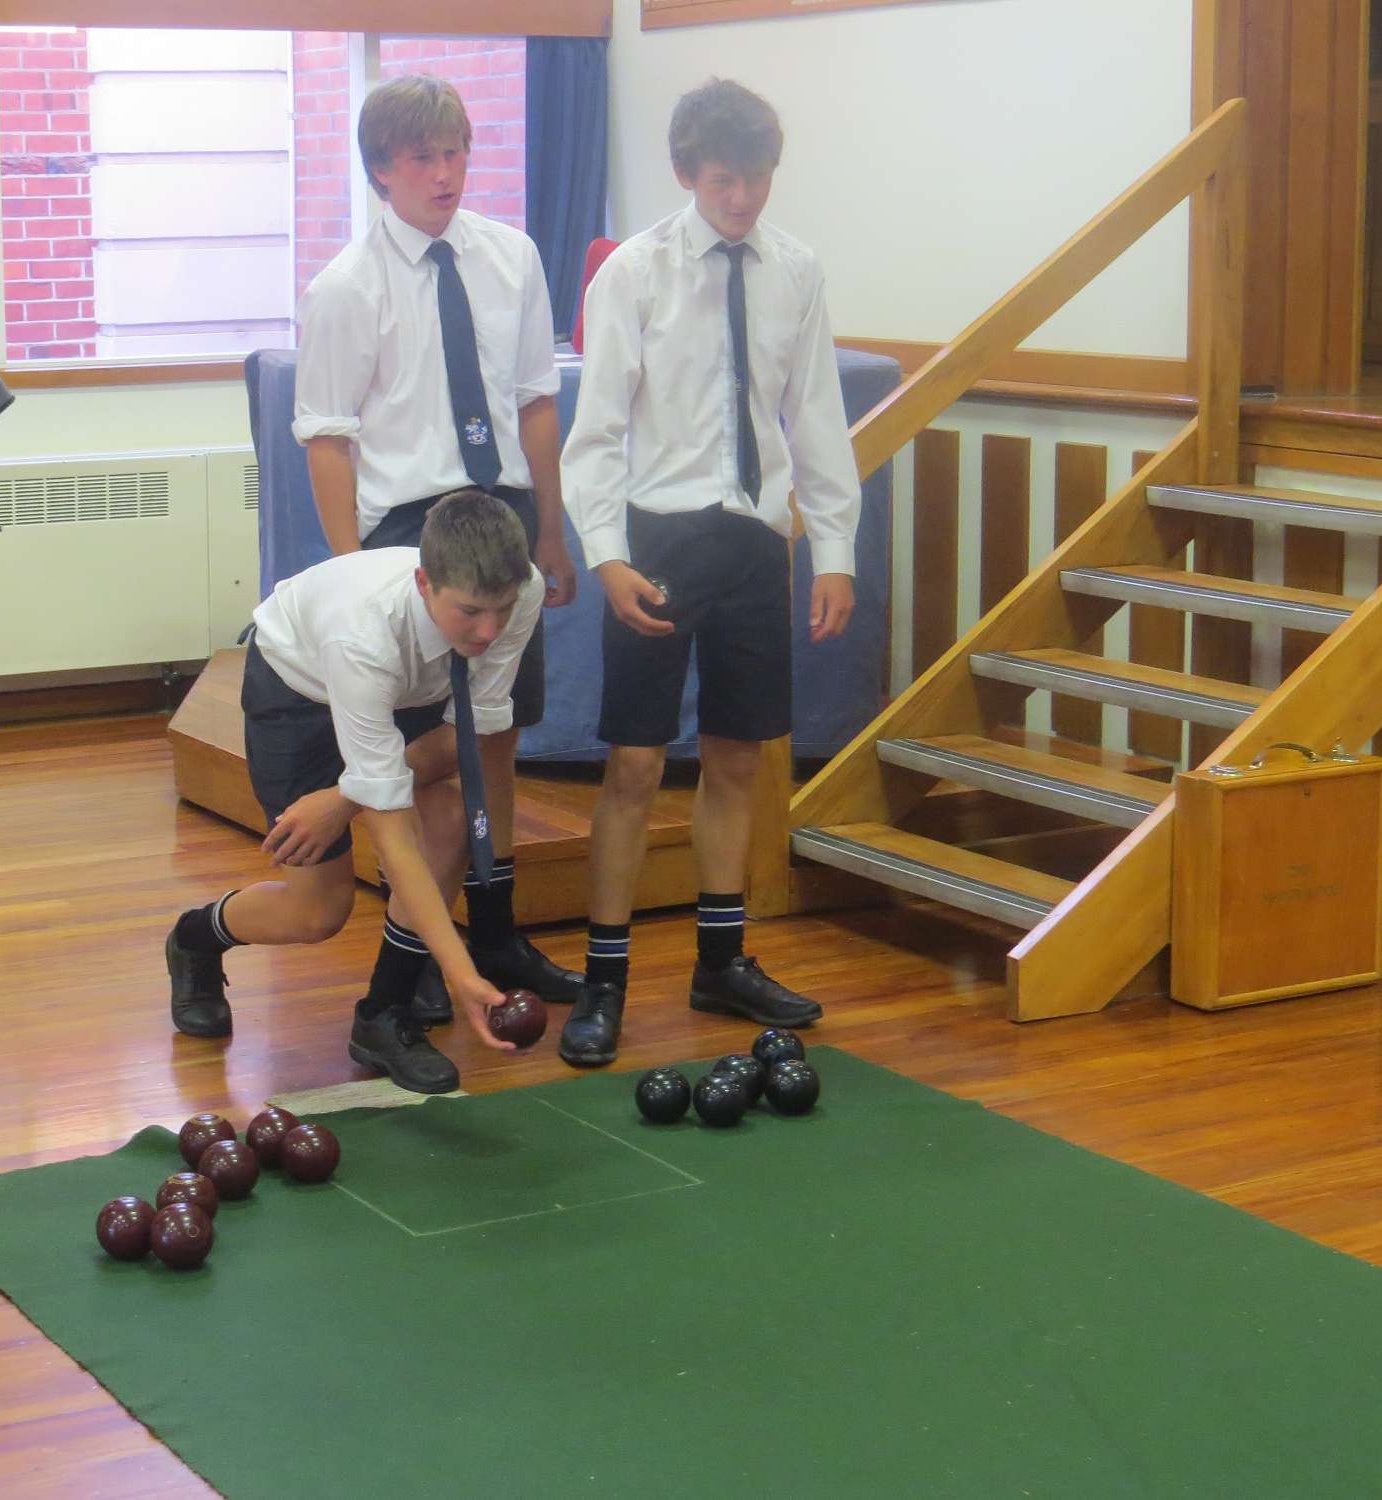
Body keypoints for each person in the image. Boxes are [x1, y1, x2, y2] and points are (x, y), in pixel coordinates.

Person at [558, 78, 862, 1068]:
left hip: (753, 542)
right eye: (725, 181)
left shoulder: (796, 270)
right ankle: (604, 980)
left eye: (758, 179)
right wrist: (606, 554)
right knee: (636, 766)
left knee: (737, 759)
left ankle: (720, 962)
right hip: (655, 539)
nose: (742, 199)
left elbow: (815, 415)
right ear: (688, 173)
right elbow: (596, 430)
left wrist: (833, 550)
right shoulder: (635, 273)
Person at [292, 74, 582, 1023]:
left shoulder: (511, 257)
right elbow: (327, 438)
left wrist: (550, 529)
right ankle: (416, 950)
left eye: (457, 153)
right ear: (381, 170)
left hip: (502, 510)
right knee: (428, 751)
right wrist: (354, 568)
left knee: (497, 732)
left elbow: (535, 401)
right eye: (424, 158)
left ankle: (495, 927)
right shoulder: (347, 286)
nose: (446, 174)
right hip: (406, 529)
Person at [165, 491, 537, 1094]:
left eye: (502, 609)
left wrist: (342, 799)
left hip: (407, 692)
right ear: (424, 583)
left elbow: (469, 737)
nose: (490, 631)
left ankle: (384, 1014)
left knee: (446, 820)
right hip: (299, 694)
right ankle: (195, 936)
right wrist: (462, 972)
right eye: (470, 612)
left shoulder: (522, 591)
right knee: (318, 912)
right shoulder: (362, 635)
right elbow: (392, 837)